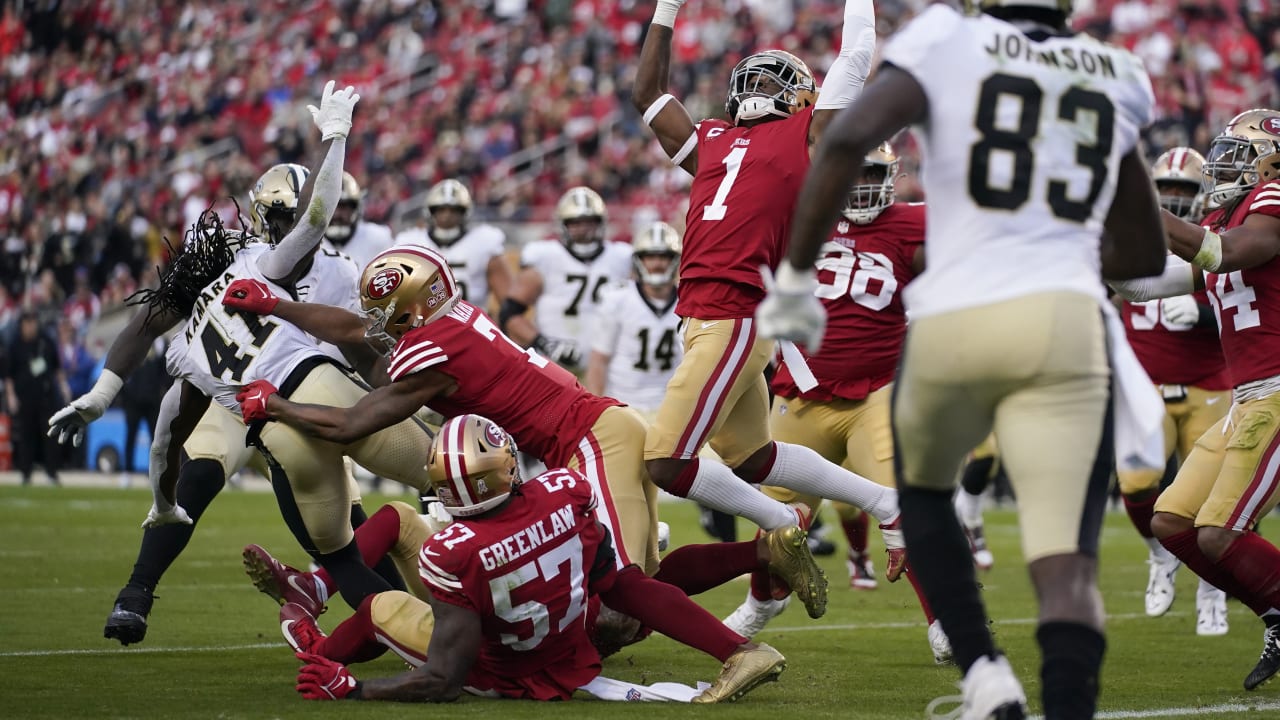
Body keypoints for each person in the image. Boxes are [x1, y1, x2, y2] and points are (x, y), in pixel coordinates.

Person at [757, 1, 1167, 717]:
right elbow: (1141, 255)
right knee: (1068, 562)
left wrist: (794, 279)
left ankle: (985, 675)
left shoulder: (949, 37)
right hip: (1068, 321)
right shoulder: (1113, 70)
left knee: (920, 496)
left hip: (966, 310)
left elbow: (847, 135)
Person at [227, 245, 830, 623]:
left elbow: (355, 421)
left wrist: (275, 405)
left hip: (587, 442)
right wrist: (277, 305)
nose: (379, 324)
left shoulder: (431, 353)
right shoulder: (455, 320)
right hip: (599, 428)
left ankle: (741, 644)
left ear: (410, 306)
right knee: (638, 587)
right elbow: (356, 329)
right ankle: (764, 549)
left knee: (616, 597)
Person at [630, 0, 903, 574]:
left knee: (665, 461)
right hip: (705, 316)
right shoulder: (720, 140)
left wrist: (667, 11)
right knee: (752, 458)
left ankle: (783, 526)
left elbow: (650, 92)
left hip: (732, 317)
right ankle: (884, 503)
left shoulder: (801, 137)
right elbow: (648, 96)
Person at [276, 414, 787, 704]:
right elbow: (620, 583)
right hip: (569, 641)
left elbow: (444, 680)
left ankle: (317, 650)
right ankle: (315, 587)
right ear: (508, 465)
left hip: (507, 670)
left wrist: (356, 689)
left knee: (378, 609)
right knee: (400, 520)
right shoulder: (566, 490)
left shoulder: (451, 551)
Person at [719, 143, 949, 663]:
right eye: (853, 172)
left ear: (891, 176)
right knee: (773, 513)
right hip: (801, 395)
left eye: (872, 173)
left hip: (876, 392)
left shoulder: (916, 224)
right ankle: (761, 601)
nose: (863, 184)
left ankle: (943, 618)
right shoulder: (800, 216)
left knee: (903, 504)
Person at [1112, 107, 1280, 691]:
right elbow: (1141, 284)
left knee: (1219, 533)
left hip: (1278, 393)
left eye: (1239, 153)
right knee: (1172, 521)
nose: (1223, 164)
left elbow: (1229, 253)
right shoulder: (1221, 218)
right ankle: (1275, 615)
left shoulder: (1272, 201)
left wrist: (1144, 208)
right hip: (1245, 400)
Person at [1116, 147, 1231, 634]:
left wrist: (1205, 317)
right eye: (1168, 189)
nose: (1177, 198)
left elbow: (1244, 306)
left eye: (1185, 189)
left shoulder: (1217, 238)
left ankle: (1212, 587)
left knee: (1213, 502)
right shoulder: (1131, 235)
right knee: (1137, 485)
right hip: (1146, 387)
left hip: (1210, 386)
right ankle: (1160, 557)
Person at [500, 186, 632, 373]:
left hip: (608, 366)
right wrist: (544, 343)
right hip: (555, 366)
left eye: (589, 222)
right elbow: (510, 314)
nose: (583, 229)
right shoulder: (546, 256)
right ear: (562, 225)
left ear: (601, 223)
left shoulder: (622, 257)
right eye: (575, 223)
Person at [584, 221, 683, 412]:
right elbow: (598, 360)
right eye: (650, 257)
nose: (657, 264)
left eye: (664, 257)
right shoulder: (617, 298)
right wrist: (597, 410)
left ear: (675, 260)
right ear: (639, 260)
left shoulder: (689, 301)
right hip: (624, 404)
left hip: (671, 407)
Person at [395, 178, 512, 313]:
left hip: (471, 326)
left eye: (454, 210)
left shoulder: (484, 242)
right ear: (431, 211)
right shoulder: (411, 242)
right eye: (441, 210)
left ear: (465, 212)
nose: (447, 216)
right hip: (426, 326)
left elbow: (508, 304)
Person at [3, 310, 67, 485]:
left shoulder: (46, 341)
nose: (31, 327)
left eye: (33, 322)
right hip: (24, 398)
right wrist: (11, 396)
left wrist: (64, 388)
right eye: (28, 323)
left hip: (46, 396)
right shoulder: (15, 345)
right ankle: (25, 472)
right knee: (26, 436)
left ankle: (52, 472)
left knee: (50, 434)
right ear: (22, 325)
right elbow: (8, 374)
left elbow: (57, 367)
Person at [323, 172, 393, 270]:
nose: (337, 214)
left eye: (343, 207)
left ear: (355, 208)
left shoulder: (378, 238)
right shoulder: (310, 244)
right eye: (332, 206)